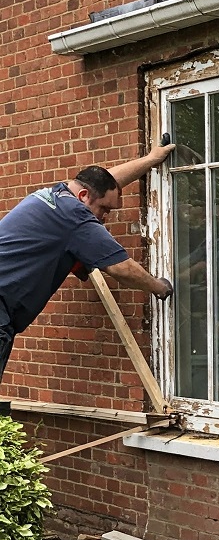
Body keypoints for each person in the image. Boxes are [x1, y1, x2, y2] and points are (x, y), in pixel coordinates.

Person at [0, 143, 176, 384]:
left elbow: (107, 183)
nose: (104, 219)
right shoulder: (74, 216)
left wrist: (151, 159)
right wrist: (159, 286)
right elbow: (120, 268)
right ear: (84, 197)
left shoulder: (56, 196)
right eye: (104, 210)